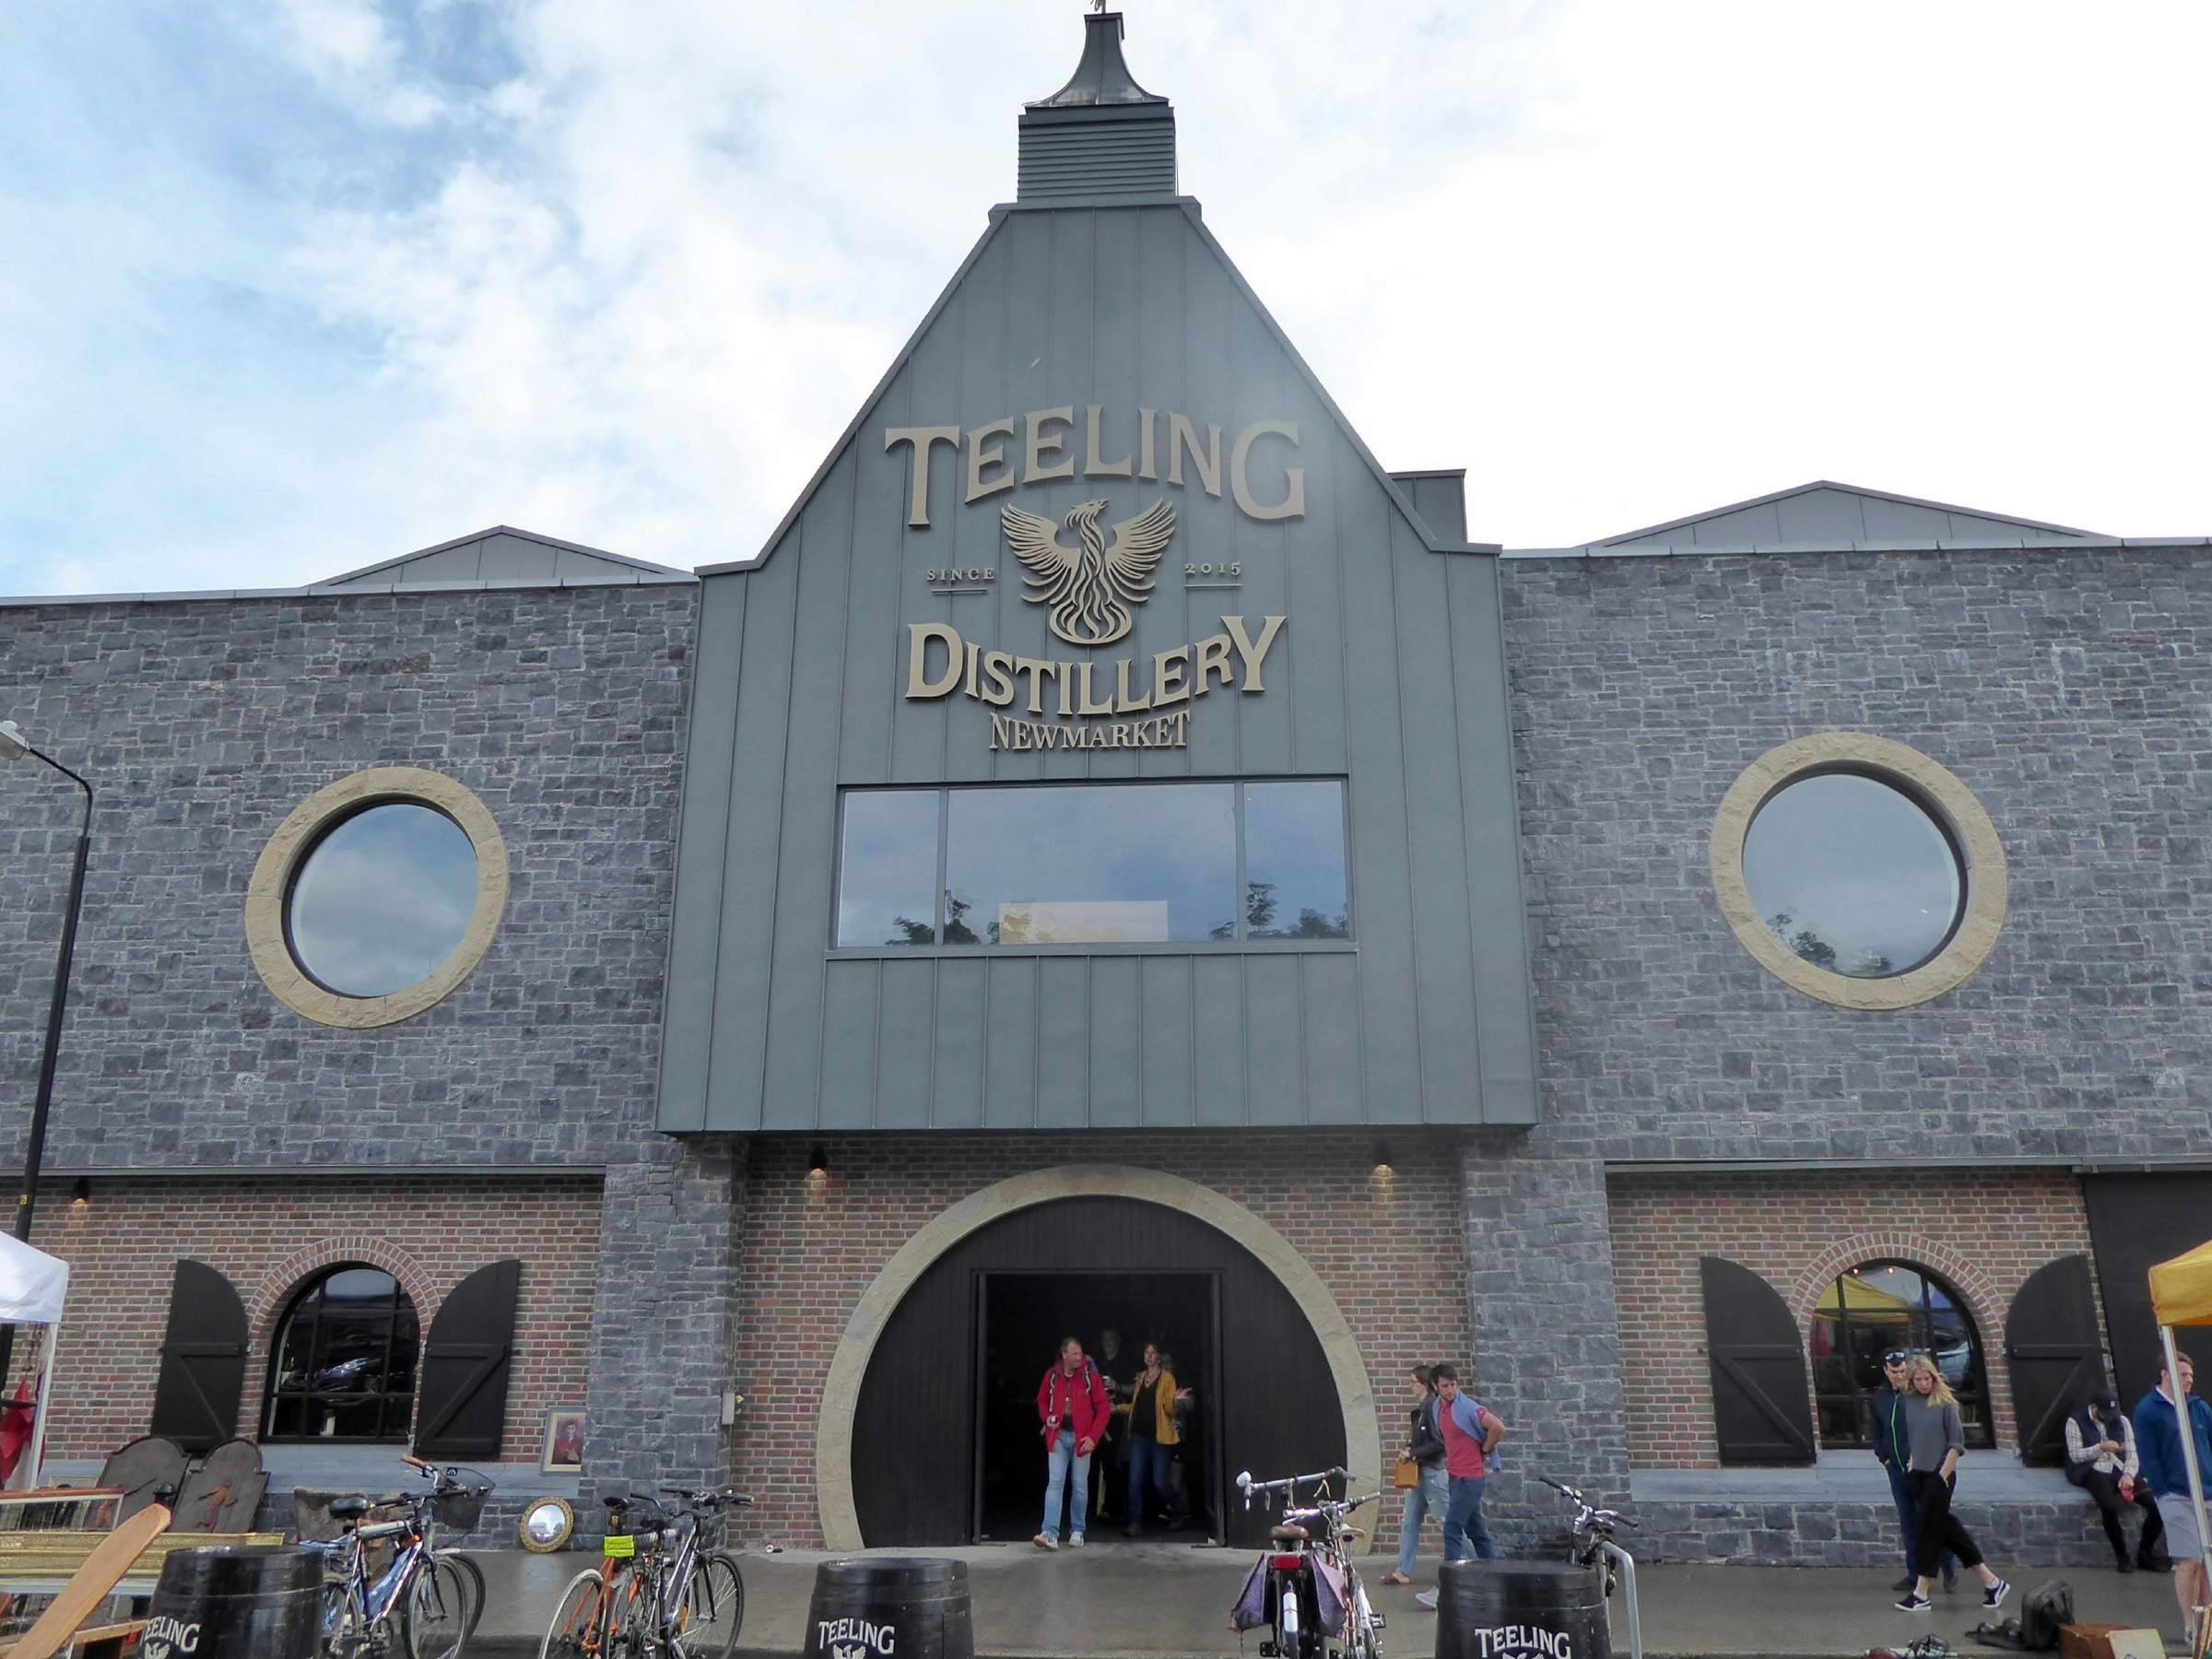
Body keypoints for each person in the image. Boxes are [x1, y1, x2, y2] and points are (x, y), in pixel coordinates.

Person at [1893, 1355, 2009, 1614]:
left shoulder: (1946, 1403)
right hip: (1918, 1474)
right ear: (1912, 1380)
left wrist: (1942, 1475)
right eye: (1919, 1379)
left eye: (1928, 1378)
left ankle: (1921, 1593)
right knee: (1946, 1528)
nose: (1924, 1383)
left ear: (1935, 1378)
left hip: (1940, 1474)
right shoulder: (1909, 1401)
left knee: (1928, 1532)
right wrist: (1912, 1463)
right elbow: (1914, 1436)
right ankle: (1992, 1581)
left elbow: (1957, 1444)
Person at [2133, 1352, 2212, 1652]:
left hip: (2207, 1491)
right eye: (2183, 1375)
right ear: (2165, 1374)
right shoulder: (2148, 1410)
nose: (2189, 1380)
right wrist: (2163, 1491)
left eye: (2191, 1375)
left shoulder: (2199, 1407)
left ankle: (2208, 1625)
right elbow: (2149, 1454)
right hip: (2176, 1494)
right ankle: (2190, 1624)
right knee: (2190, 1559)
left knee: (2207, 1561)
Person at [1414, 1364, 1505, 1612]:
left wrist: (1484, 1450)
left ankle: (1448, 1590)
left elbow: (1497, 1426)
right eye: (1445, 1385)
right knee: (1478, 1533)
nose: (1451, 1389)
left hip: (1471, 1478)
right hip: (1456, 1477)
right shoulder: (1436, 1408)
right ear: (1435, 1386)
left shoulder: (1467, 1407)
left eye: (1453, 1384)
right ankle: (1498, 1583)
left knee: (1452, 1528)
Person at [1868, 1349, 1956, 1592]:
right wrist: (1883, 1457)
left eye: (1902, 1371)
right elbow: (1876, 1430)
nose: (1898, 1375)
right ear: (1886, 1371)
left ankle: (1949, 1569)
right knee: (1908, 1523)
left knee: (1932, 1520)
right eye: (1894, 1372)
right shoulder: (1880, 1398)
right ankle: (1914, 1574)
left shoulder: (1916, 1397)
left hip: (1923, 1469)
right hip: (1896, 1469)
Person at [2065, 1387, 2165, 1571]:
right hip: (2093, 1467)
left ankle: (2146, 1553)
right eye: (2105, 1413)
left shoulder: (2122, 1421)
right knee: (2109, 1506)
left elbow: (2133, 1452)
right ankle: (2122, 1556)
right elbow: (2075, 1455)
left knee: (2156, 1504)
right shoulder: (2075, 1421)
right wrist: (2100, 1448)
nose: (2110, 1417)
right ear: (2095, 1409)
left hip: (2120, 1466)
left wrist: (2129, 1474)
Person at [1035, 1335, 1111, 1550]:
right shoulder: (1052, 1376)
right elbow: (1041, 1400)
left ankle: (1078, 1529)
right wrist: (1047, 1417)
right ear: (1064, 1355)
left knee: (1079, 1486)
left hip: (1081, 1440)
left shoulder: (1090, 1377)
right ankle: (1049, 1533)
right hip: (1057, 1437)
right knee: (1055, 1483)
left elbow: (1104, 1408)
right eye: (1075, 1353)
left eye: (1080, 1352)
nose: (1080, 1357)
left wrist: (1093, 1437)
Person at [1381, 1365, 1447, 1586]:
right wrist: (1410, 1448)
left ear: (1425, 1384)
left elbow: (1439, 1443)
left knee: (1447, 1523)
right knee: (1409, 1522)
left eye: (1413, 1382)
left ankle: (1475, 1562)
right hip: (1418, 1473)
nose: (1410, 1386)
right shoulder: (1422, 1409)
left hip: (1431, 1473)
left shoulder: (1431, 1408)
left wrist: (1413, 1452)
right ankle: (1403, 1570)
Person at [1122, 1341, 1186, 1535]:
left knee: (1160, 1482)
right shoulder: (1140, 1378)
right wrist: (1116, 1408)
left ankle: (1178, 1510)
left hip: (1160, 1438)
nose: (1149, 1356)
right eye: (1146, 1352)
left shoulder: (1167, 1378)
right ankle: (1135, 1523)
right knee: (1135, 1481)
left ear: (1158, 1357)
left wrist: (1175, 1400)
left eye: (1153, 1353)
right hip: (1139, 1437)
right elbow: (1135, 1406)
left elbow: (1168, 1408)